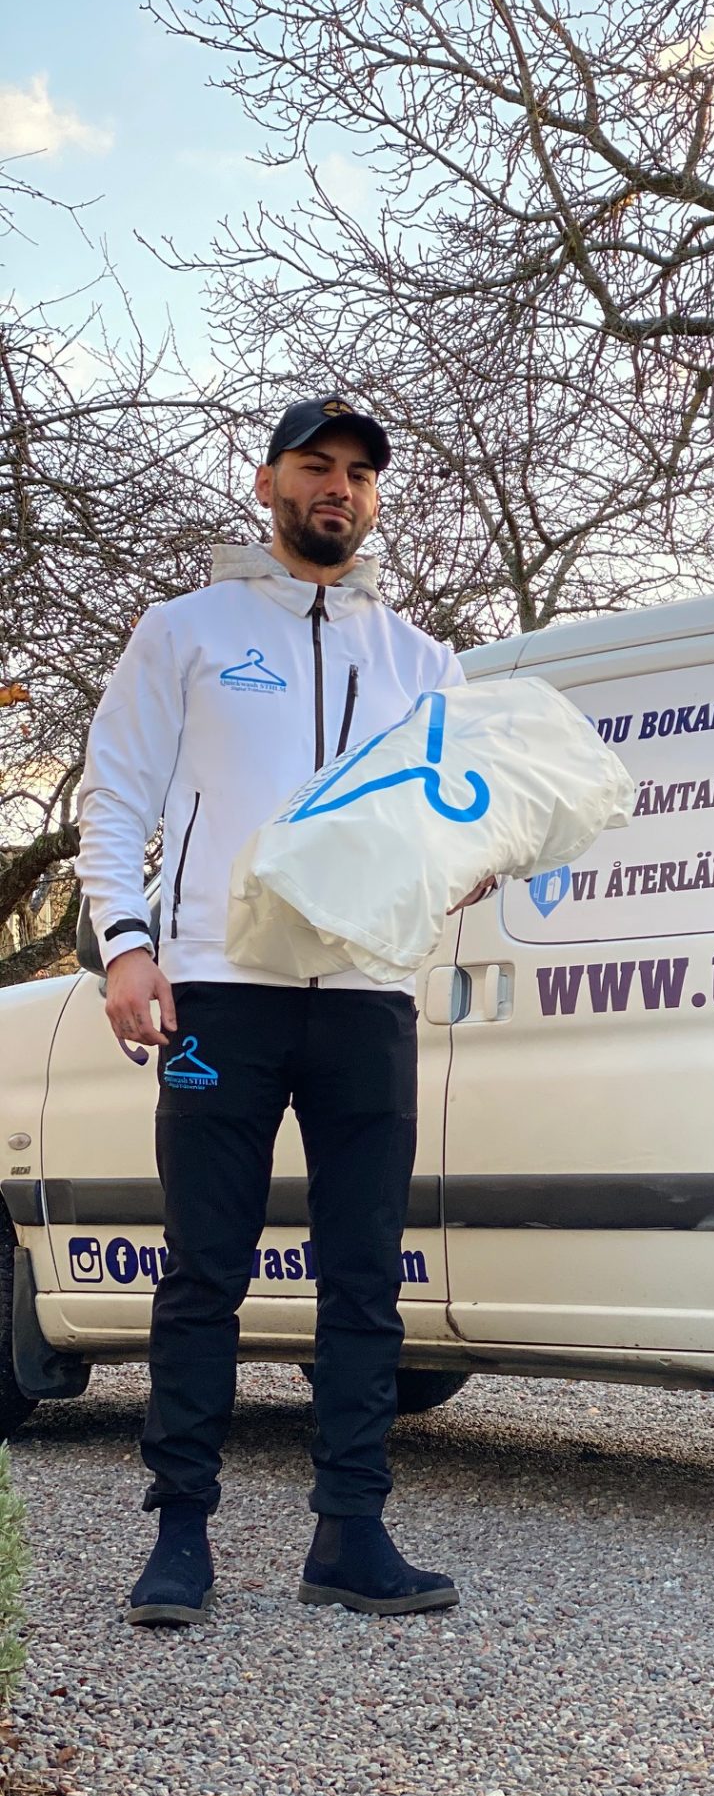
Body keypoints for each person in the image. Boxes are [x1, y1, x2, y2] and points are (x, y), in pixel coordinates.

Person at [77, 397, 475, 1627]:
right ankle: (179, 1534)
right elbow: (114, 796)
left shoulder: (422, 662)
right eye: (315, 465)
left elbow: (459, 817)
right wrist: (128, 947)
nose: (337, 487)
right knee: (205, 1268)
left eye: (358, 473)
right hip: (220, 988)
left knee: (365, 1277)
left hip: (364, 996)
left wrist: (472, 863)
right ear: (268, 484)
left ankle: (351, 1533)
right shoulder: (186, 631)